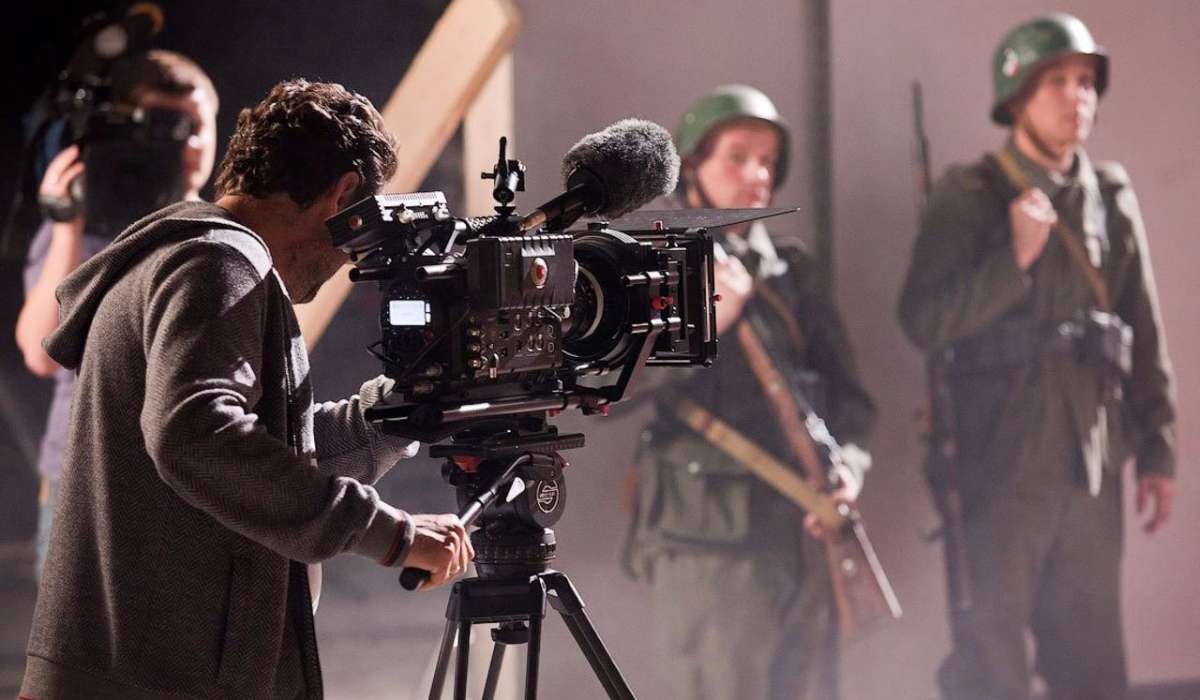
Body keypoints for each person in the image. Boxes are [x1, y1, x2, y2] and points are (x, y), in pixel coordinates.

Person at [20, 78, 473, 699]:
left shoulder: (195, 256)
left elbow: (265, 454)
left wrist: (399, 410)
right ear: (341, 193)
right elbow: (197, 437)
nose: (347, 257)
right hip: (149, 683)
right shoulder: (219, 262)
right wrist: (387, 534)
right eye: (353, 230)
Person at [897, 13, 1176, 700]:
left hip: (1090, 461)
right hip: (999, 461)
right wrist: (1015, 261)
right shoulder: (970, 195)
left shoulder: (1109, 197)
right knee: (991, 666)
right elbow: (924, 319)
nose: (1078, 96)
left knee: (1094, 667)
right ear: (1017, 95)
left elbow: (1140, 328)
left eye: (1086, 81)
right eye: (1057, 80)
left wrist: (1159, 448)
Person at [622, 84, 877, 700]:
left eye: (767, 161)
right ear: (693, 166)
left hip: (800, 528)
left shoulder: (792, 273)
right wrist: (708, 319)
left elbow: (851, 402)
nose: (757, 175)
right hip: (708, 541)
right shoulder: (657, 260)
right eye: (737, 157)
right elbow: (610, 391)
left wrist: (849, 471)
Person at [14, 49, 220, 581]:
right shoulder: (89, 228)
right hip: (84, 477)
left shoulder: (220, 234)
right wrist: (67, 225)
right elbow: (41, 353)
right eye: (168, 129)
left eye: (197, 127)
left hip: (188, 480)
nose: (190, 146)